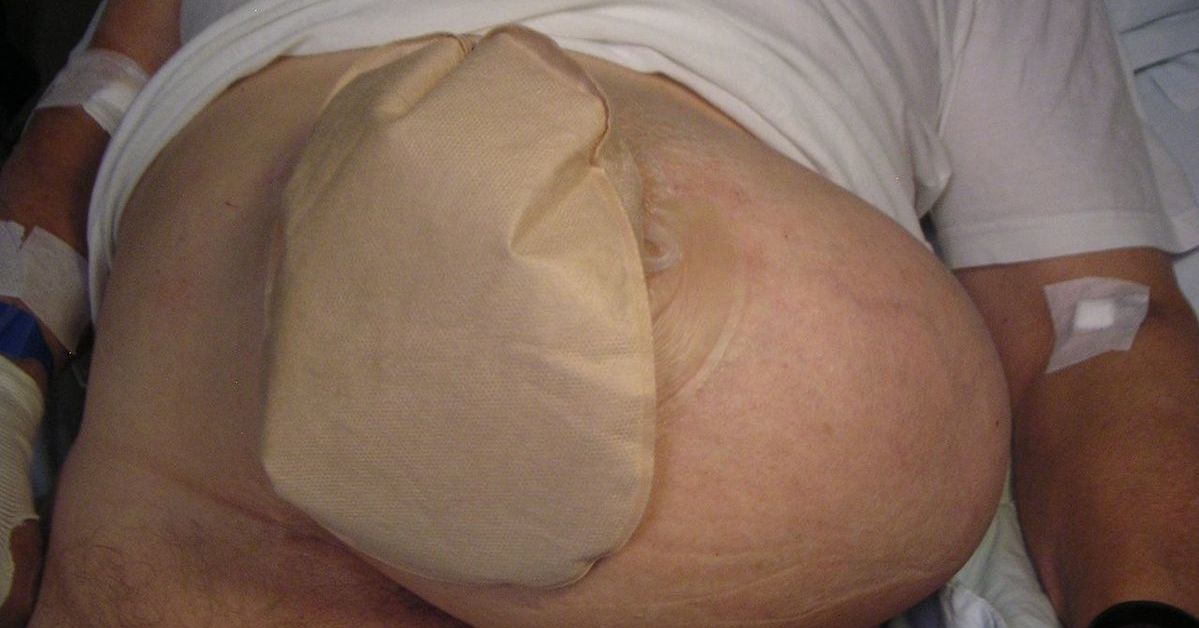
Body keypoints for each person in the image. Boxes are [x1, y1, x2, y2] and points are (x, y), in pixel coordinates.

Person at [0, 1, 1196, 626]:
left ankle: (467, 257)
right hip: (239, 319)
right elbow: (78, 125)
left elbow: (1096, 323)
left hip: (697, 302)